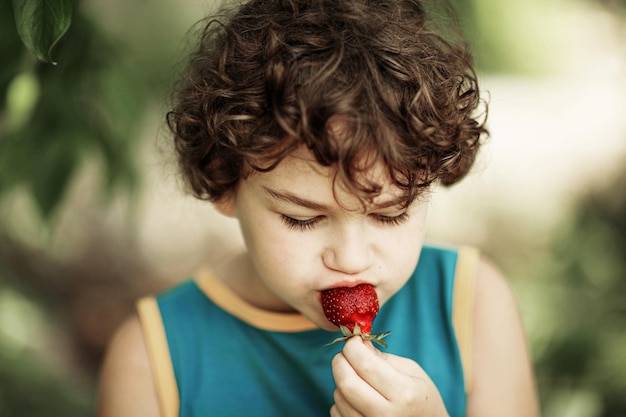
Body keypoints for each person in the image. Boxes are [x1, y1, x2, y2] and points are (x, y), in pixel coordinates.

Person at [97, 0, 539, 416]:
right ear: (224, 182)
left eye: (390, 213)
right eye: (302, 218)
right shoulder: (151, 361)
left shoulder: (474, 307)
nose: (351, 259)